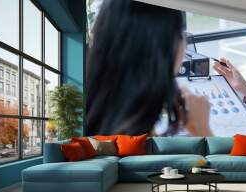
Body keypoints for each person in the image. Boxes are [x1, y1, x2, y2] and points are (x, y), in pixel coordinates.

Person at [86, 0, 213, 137]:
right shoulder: (141, 138)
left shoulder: (101, 114)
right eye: (180, 32)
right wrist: (202, 129)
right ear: (163, 45)